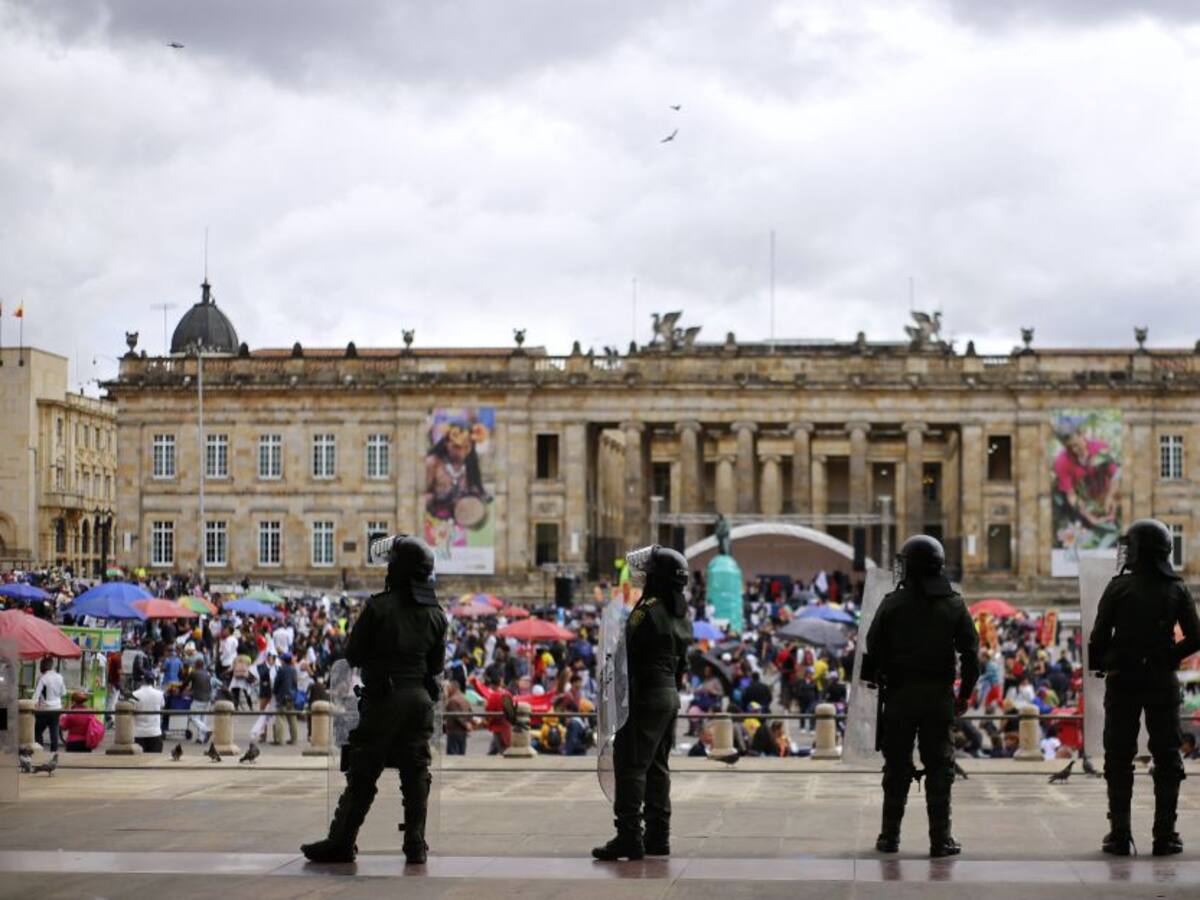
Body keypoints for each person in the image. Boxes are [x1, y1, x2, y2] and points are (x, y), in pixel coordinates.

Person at [302, 535, 447, 866]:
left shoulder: (379, 607)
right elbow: (436, 666)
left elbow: (353, 653)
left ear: (399, 570)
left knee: (364, 770)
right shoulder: (437, 615)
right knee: (416, 770)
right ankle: (415, 843)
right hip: (421, 699)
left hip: (385, 697)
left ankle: (341, 841)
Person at [862, 535, 979, 858]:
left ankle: (889, 836)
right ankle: (940, 839)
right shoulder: (954, 604)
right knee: (940, 768)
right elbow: (971, 654)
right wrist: (964, 694)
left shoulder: (891, 603)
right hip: (938, 697)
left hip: (899, 696)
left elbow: (872, 646)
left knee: (896, 766)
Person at [1088, 519, 1200, 856]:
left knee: (1118, 756)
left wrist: (1106, 663)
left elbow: (1098, 636)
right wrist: (1168, 657)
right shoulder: (1177, 589)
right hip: (1161, 681)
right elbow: (1195, 637)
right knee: (1167, 756)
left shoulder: (1118, 588)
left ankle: (1120, 834)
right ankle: (1165, 834)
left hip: (1123, 680)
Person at [593, 545, 692, 861]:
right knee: (659, 768)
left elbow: (625, 655)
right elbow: (683, 666)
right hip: (669, 695)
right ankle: (658, 836)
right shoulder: (681, 617)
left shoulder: (646, 610)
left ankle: (629, 836)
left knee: (631, 764)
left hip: (646, 694)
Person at [32, 657, 66, 753]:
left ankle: (40, 748)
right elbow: (63, 693)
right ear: (52, 665)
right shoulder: (60, 677)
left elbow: (36, 695)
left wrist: (33, 704)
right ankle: (54, 752)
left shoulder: (43, 678)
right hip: (56, 708)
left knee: (37, 730)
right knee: (54, 731)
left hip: (44, 709)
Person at [132, 673, 166, 753]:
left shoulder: (135, 694)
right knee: (154, 761)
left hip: (138, 733)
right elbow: (162, 705)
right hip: (155, 733)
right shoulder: (160, 694)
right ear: (154, 682)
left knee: (138, 762)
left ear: (142, 681)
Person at [273, 652, 299, 745]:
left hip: (282, 696)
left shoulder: (281, 670)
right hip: (291, 696)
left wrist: (275, 692)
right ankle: (294, 738)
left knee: (280, 717)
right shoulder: (293, 670)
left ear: (283, 661)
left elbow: (277, 683)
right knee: (292, 718)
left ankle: (279, 739)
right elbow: (295, 683)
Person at [187, 658, 213, 744]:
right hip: (208, 699)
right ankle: (201, 738)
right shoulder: (208, 673)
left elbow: (185, 683)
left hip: (198, 699)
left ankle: (207, 730)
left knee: (192, 717)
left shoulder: (194, 673)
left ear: (197, 665)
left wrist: (180, 690)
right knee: (202, 719)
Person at [443, 681, 472, 756]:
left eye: (448, 688)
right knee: (461, 753)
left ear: (453, 688)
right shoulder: (464, 698)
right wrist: (468, 724)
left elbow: (457, 716)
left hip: (454, 731)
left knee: (452, 755)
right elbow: (470, 713)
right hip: (462, 732)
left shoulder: (453, 700)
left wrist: (466, 725)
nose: (446, 690)